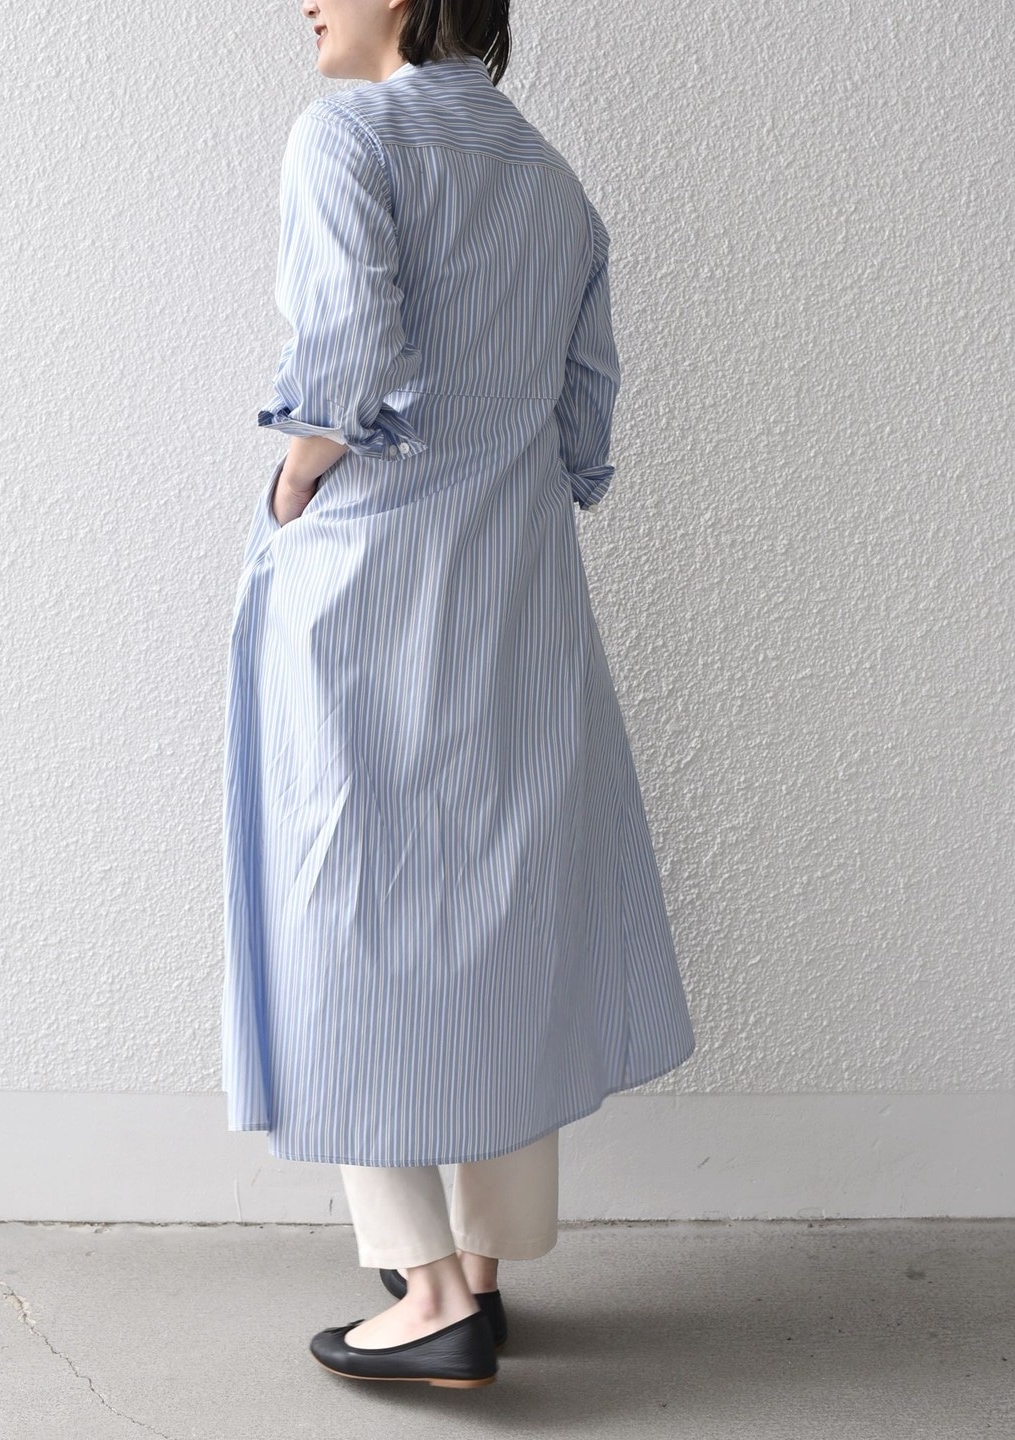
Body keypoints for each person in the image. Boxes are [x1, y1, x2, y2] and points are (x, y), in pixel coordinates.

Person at [222, 0, 697, 1389]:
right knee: (503, 901)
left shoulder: (348, 137)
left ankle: (426, 1291)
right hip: (521, 587)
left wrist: (294, 481)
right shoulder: (550, 177)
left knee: (349, 901)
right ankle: (483, 1266)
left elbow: (345, 349)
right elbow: (585, 417)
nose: (304, 1)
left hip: (372, 581)